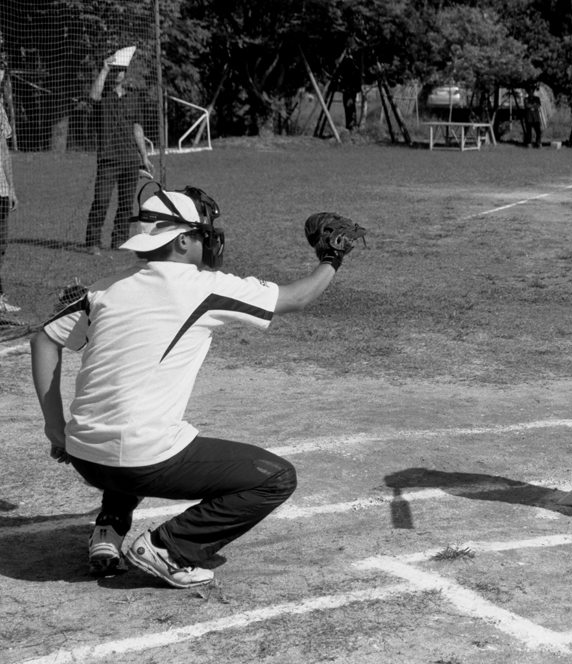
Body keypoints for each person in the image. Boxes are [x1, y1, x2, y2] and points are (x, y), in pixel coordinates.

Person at [31, 185, 357, 588]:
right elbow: (296, 298)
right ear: (183, 240)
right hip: (139, 462)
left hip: (83, 456)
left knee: (132, 422)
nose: (208, 239)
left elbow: (44, 339)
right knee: (274, 477)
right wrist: (333, 257)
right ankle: (170, 548)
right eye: (202, 233)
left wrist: (54, 427)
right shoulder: (203, 286)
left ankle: (108, 530)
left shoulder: (103, 288)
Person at [83, 48, 154, 254]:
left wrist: (144, 156)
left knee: (126, 204)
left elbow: (137, 128)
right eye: (114, 70)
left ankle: (120, 240)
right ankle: (92, 242)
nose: (117, 74)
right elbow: (92, 98)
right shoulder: (102, 95)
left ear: (125, 73)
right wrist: (104, 69)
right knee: (101, 201)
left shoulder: (133, 97)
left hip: (130, 160)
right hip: (108, 159)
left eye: (120, 70)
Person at [0, 67, 19, 314]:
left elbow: (4, 151)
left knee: (1, 244)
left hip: (1, 189)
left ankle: (0, 295)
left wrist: (11, 188)